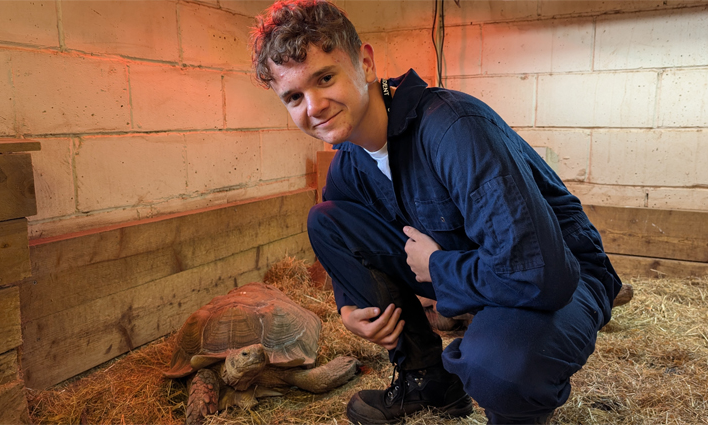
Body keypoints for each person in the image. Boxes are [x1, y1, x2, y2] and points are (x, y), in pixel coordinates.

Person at [250, 1, 622, 424]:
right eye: (294, 96)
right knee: (326, 218)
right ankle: (427, 380)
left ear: (366, 64)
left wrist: (439, 268)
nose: (313, 106)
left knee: (499, 367)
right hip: (483, 275)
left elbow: (543, 277)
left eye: (326, 78)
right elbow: (340, 234)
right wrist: (347, 307)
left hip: (565, 278)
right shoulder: (351, 159)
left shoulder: (452, 127)